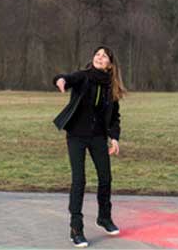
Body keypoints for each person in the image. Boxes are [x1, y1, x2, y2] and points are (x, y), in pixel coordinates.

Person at [53, 46, 126, 248]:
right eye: (97, 54)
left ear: (110, 64)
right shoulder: (83, 76)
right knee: (79, 180)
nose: (99, 57)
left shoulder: (111, 87)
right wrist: (61, 81)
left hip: (98, 137)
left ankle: (104, 217)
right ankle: (76, 228)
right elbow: (67, 78)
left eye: (104, 56)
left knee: (105, 177)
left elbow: (114, 117)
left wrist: (114, 138)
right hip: (76, 136)